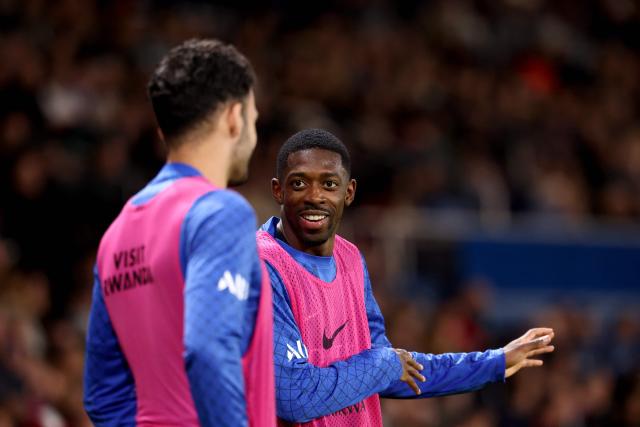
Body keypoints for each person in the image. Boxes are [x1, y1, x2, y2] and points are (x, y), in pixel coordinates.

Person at [257, 128, 555, 426]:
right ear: (278, 190)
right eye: (298, 183)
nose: (315, 196)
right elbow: (295, 396)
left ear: (348, 192)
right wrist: (383, 365)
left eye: (329, 184)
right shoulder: (262, 265)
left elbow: (397, 372)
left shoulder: (350, 259)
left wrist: (495, 362)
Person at [83, 39, 275, 427]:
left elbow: (101, 396)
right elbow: (207, 348)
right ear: (235, 118)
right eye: (254, 119)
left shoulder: (117, 233)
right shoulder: (221, 212)